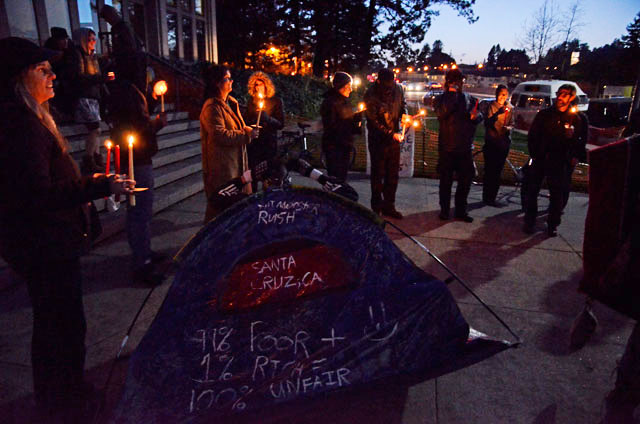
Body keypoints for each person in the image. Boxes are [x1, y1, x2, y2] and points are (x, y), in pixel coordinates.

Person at [0, 37, 134, 422]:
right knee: (61, 330)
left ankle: (67, 393)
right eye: (42, 70)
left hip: (50, 246)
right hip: (46, 249)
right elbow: (38, 194)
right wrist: (98, 185)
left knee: (62, 326)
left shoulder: (31, 120)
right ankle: (64, 403)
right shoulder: (20, 126)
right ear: (17, 80)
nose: (53, 74)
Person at [105, 77, 167, 285]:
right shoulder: (127, 92)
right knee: (140, 211)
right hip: (136, 160)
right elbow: (138, 127)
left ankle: (144, 251)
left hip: (136, 158)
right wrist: (156, 124)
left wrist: (153, 101)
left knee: (140, 211)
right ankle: (142, 263)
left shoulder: (129, 89)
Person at [523, 84, 588, 236]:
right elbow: (533, 135)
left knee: (557, 194)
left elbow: (581, 142)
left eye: (565, 94)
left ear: (572, 97)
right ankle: (529, 221)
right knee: (532, 191)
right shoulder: (545, 114)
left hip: (560, 161)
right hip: (541, 158)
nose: (561, 97)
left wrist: (573, 148)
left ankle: (552, 224)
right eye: (560, 93)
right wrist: (534, 153)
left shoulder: (577, 119)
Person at [200, 65, 258, 222]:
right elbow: (220, 134)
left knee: (235, 209)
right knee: (219, 210)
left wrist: (249, 128)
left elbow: (239, 125)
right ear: (218, 83)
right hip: (222, 168)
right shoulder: (211, 108)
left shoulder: (231, 103)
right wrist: (246, 136)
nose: (231, 81)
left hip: (237, 164)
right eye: (228, 78)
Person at [433, 68, 482, 223]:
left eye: (460, 81)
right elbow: (442, 113)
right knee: (446, 181)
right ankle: (445, 210)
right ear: (448, 83)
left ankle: (461, 210)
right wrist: (452, 94)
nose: (459, 84)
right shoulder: (441, 99)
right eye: (456, 81)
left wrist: (476, 117)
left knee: (465, 181)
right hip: (447, 147)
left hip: (464, 147)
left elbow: (479, 114)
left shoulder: (469, 98)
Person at [364, 68, 408, 219]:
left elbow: (403, 105)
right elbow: (373, 121)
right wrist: (391, 134)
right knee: (378, 175)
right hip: (378, 141)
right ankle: (376, 208)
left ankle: (389, 206)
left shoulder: (398, 90)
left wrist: (404, 116)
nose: (390, 88)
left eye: (392, 84)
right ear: (379, 82)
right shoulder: (371, 95)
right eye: (387, 85)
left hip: (394, 140)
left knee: (392, 175)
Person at [66, 28, 105, 173]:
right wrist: (100, 78)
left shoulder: (93, 57)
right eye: (90, 39)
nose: (93, 43)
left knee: (97, 129)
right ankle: (89, 159)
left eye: (94, 39)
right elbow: (78, 77)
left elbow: (98, 74)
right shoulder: (77, 55)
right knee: (94, 128)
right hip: (84, 96)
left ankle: (96, 157)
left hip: (93, 97)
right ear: (82, 40)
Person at [244, 71, 284, 190]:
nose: (258, 87)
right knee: (254, 174)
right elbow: (245, 121)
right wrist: (253, 122)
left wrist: (268, 119)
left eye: (260, 84)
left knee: (268, 176)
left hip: (269, 144)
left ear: (266, 85)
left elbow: (280, 124)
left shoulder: (276, 101)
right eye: (256, 85)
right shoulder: (251, 102)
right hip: (254, 144)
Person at [320, 71, 363, 182]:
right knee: (335, 179)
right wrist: (349, 125)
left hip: (344, 145)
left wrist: (357, 119)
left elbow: (348, 123)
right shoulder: (330, 103)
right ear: (341, 86)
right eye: (349, 86)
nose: (351, 89)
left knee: (342, 178)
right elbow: (331, 126)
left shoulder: (344, 102)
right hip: (335, 147)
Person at [479, 84, 513, 206]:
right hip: (491, 143)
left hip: (503, 144)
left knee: (498, 172)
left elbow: (512, 124)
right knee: (489, 171)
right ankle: (486, 197)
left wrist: (507, 128)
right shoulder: (491, 106)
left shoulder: (509, 108)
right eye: (500, 94)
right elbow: (487, 122)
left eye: (505, 94)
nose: (502, 97)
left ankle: (492, 197)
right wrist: (498, 113)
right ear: (496, 94)